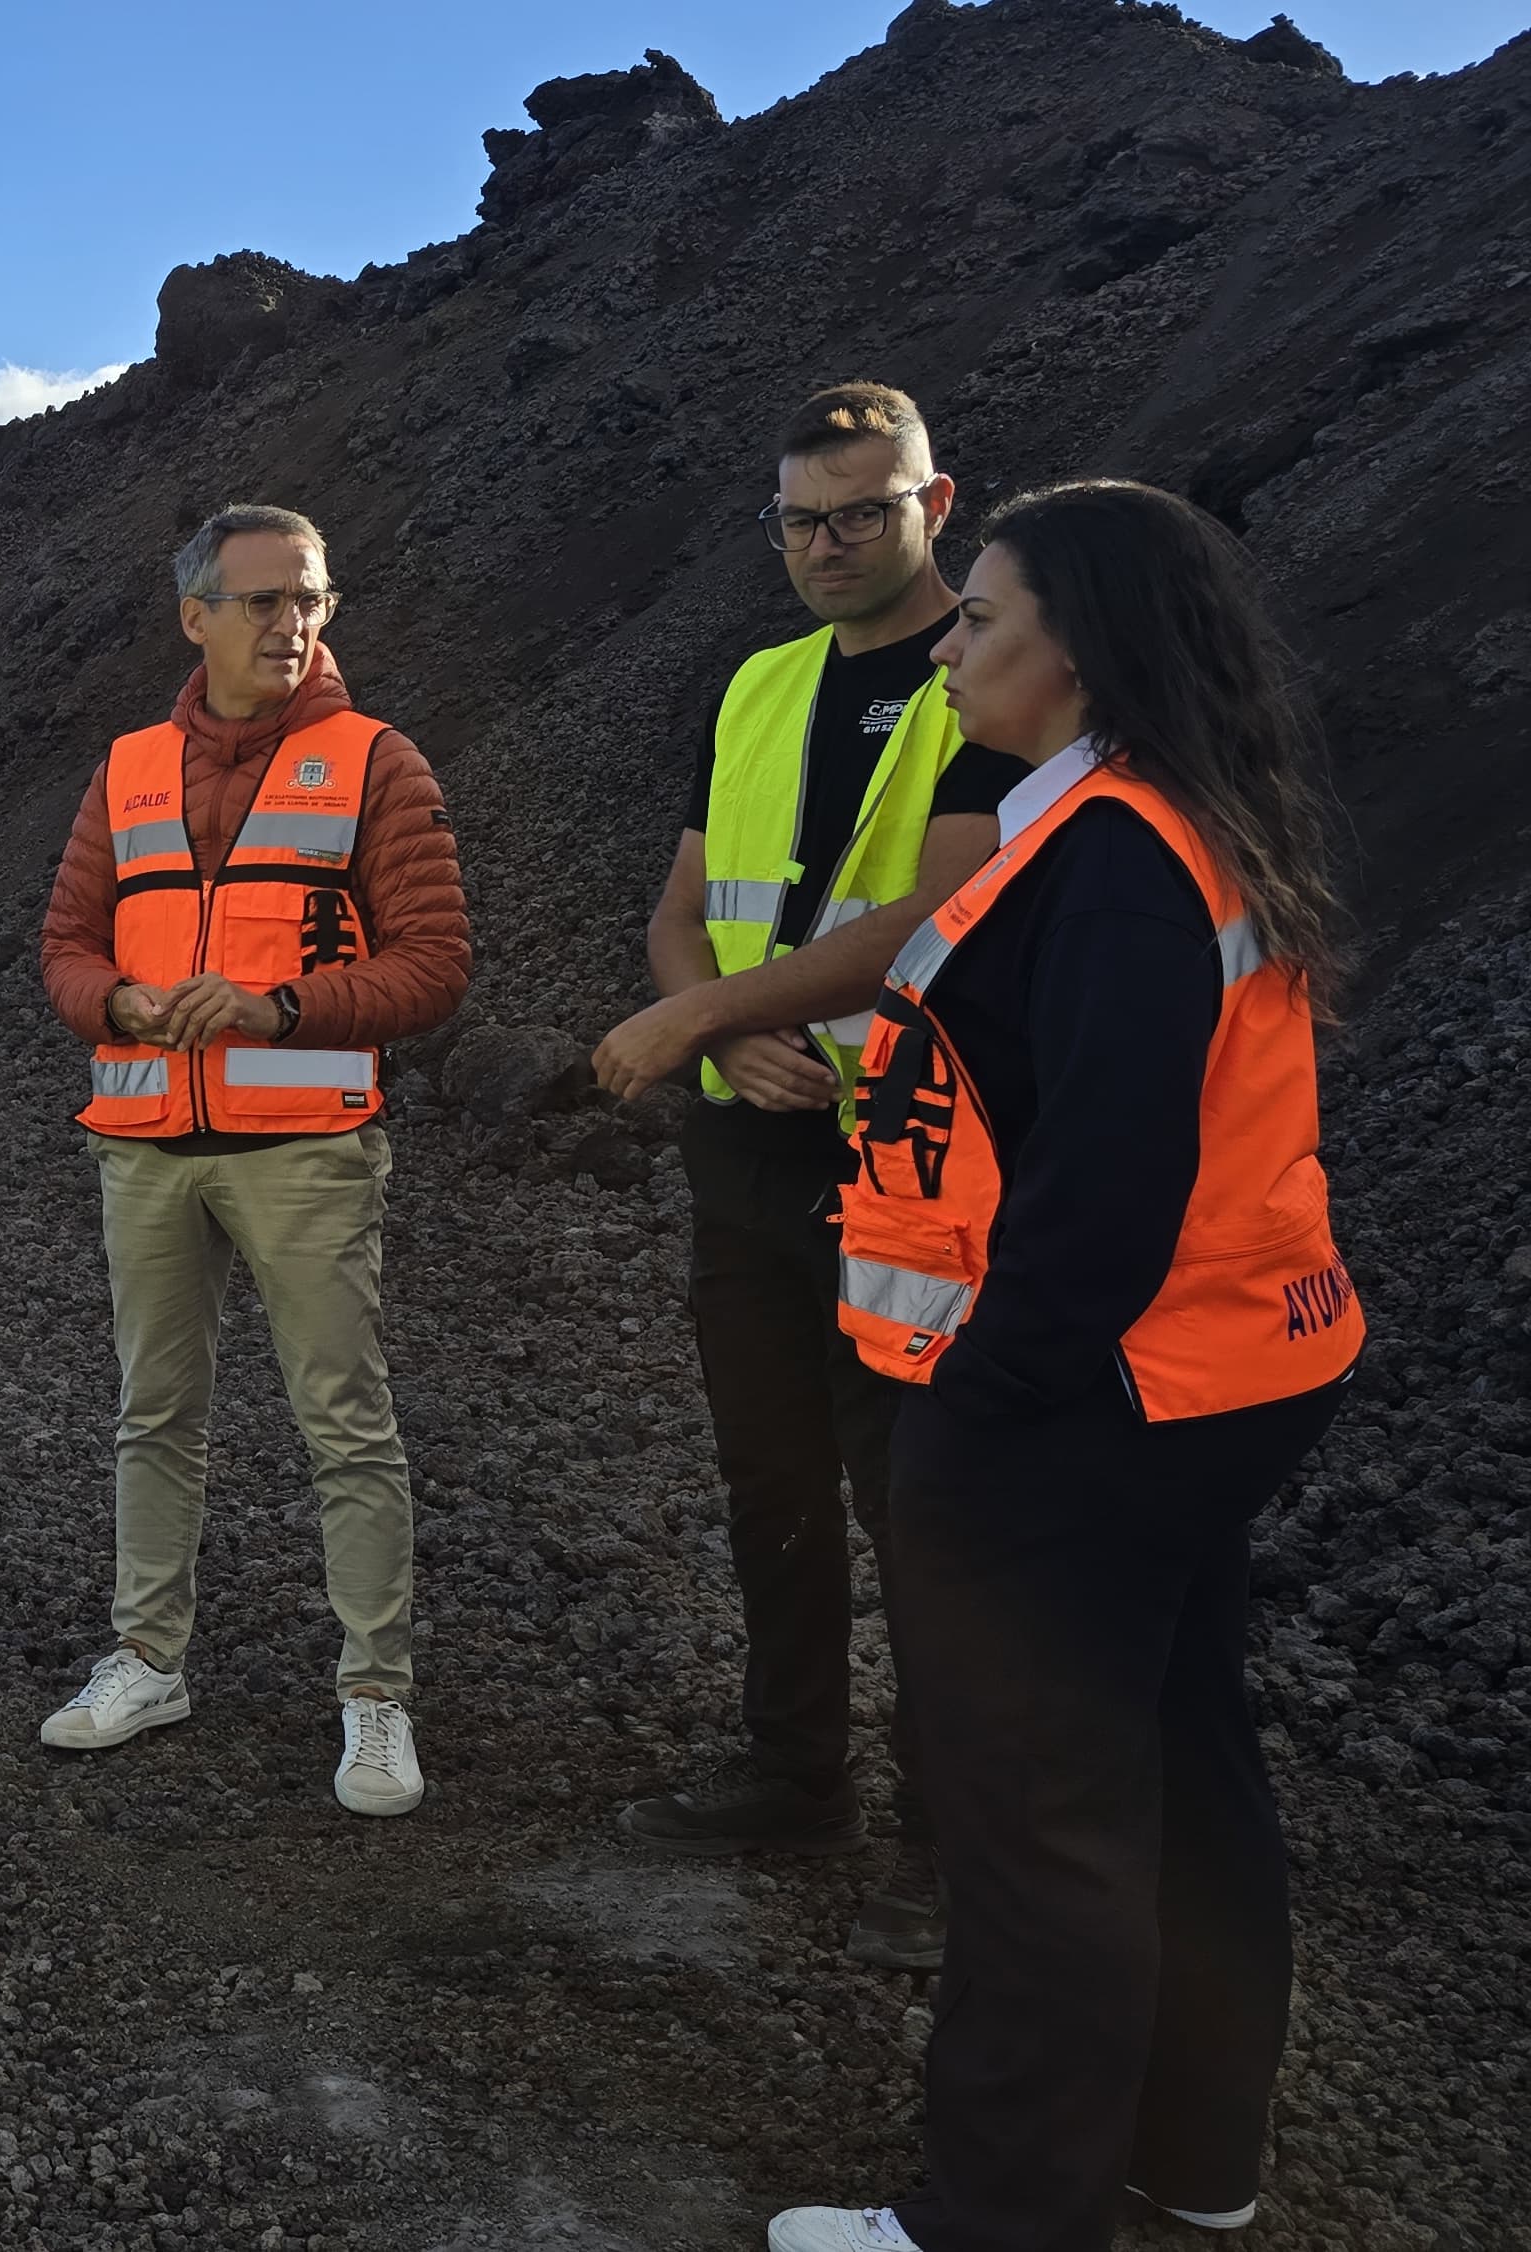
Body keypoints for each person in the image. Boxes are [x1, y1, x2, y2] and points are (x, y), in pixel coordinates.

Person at [769, 481, 1365, 2252]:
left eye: (985, 622)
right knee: (1183, 1770)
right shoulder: (1166, 820)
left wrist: (987, 1399)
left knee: (1039, 1823)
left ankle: (997, 2218)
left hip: (1084, 1408)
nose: (952, 647)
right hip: (1216, 1381)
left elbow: (1105, 1188)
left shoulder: (1109, 864)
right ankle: (1194, 2163)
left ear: (1078, 650)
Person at [591, 381, 1026, 1973]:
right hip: (749, 1146)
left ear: (935, 502)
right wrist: (718, 1036)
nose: (833, 544)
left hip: (908, 1162)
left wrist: (711, 1015)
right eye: (804, 518)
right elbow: (682, 906)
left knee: (915, 1505)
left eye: (867, 510)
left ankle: (945, 1836)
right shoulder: (762, 685)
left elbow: (931, 916)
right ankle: (796, 1777)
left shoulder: (989, 679)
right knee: (770, 1481)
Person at [32, 504, 470, 1814]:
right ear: (197, 617)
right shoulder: (127, 769)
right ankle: (148, 1661)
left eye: (311, 601)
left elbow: (435, 964)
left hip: (306, 1150)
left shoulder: (378, 762)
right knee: (153, 1417)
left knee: (347, 1424)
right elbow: (65, 944)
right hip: (149, 1146)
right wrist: (115, 1006)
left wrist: (284, 1011)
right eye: (265, 602)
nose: (292, 625)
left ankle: (376, 1700)